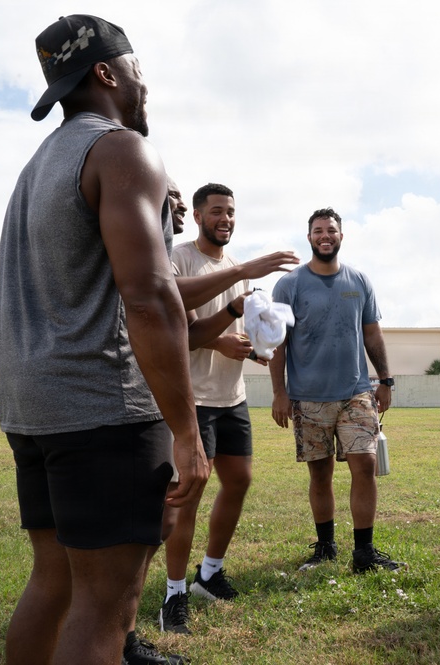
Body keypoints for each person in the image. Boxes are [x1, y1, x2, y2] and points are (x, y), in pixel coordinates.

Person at [0, 15, 208, 665]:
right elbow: (149, 296)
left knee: (54, 581)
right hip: (103, 408)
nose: (146, 82)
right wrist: (187, 431)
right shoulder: (121, 151)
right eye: (138, 67)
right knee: (104, 604)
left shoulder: (38, 165)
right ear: (107, 72)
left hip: (34, 411)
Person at [158, 183, 298, 634]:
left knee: (238, 481)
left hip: (231, 396)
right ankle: (173, 594)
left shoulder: (234, 266)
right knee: (189, 496)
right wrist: (227, 325)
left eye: (231, 212)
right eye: (216, 211)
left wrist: (256, 347)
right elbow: (188, 335)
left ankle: (209, 575)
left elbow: (239, 329)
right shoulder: (177, 259)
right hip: (193, 399)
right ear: (198, 216)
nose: (226, 219)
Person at [269, 207, 403, 574]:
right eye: (318, 231)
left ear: (341, 235)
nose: (325, 236)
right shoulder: (289, 285)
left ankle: (364, 552)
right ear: (309, 237)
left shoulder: (359, 281)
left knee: (366, 465)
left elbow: (372, 333)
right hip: (308, 397)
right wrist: (279, 393)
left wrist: (385, 379)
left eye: (331, 230)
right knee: (320, 474)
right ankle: (326, 547)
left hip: (356, 392)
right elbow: (278, 343)